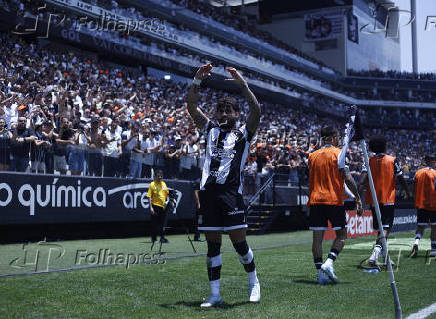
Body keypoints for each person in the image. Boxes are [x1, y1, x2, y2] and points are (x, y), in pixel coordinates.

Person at [187, 64, 261, 307]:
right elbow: (191, 107)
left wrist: (243, 85)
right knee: (212, 246)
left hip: (230, 194)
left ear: (236, 113)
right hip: (209, 193)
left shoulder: (243, 134)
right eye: (220, 110)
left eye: (228, 110)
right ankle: (215, 294)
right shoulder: (209, 129)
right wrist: (197, 81)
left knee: (240, 244)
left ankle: (253, 282)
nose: (224, 113)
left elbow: (256, 110)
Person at [308, 125, 363, 285]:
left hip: (315, 200)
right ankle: (329, 262)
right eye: (337, 136)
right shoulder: (338, 153)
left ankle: (320, 274)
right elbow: (347, 177)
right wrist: (357, 197)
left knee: (317, 239)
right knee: (342, 235)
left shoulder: (312, 156)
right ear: (332, 137)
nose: (339, 139)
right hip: (332, 200)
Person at [358, 135, 411, 268]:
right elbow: (400, 178)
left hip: (373, 200)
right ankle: (375, 254)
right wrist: (407, 191)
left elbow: (361, 182)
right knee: (385, 228)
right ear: (385, 146)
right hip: (387, 199)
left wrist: (358, 200)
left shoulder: (368, 161)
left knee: (381, 229)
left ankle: (386, 258)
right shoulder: (392, 160)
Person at [409, 154, 436, 258]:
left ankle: (416, 242)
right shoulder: (434, 173)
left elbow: (414, 188)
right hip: (433, 204)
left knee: (420, 226)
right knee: (434, 227)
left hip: (420, 204)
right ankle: (434, 249)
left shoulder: (418, 173)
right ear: (431, 162)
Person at [147, 169, 170, 244]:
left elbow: (167, 193)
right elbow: (149, 196)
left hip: (163, 206)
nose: (160, 177)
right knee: (154, 224)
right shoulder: (152, 184)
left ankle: (162, 238)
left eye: (161, 176)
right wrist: (151, 207)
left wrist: (168, 201)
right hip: (155, 206)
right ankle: (154, 239)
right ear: (155, 176)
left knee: (163, 223)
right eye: (158, 176)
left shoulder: (163, 184)